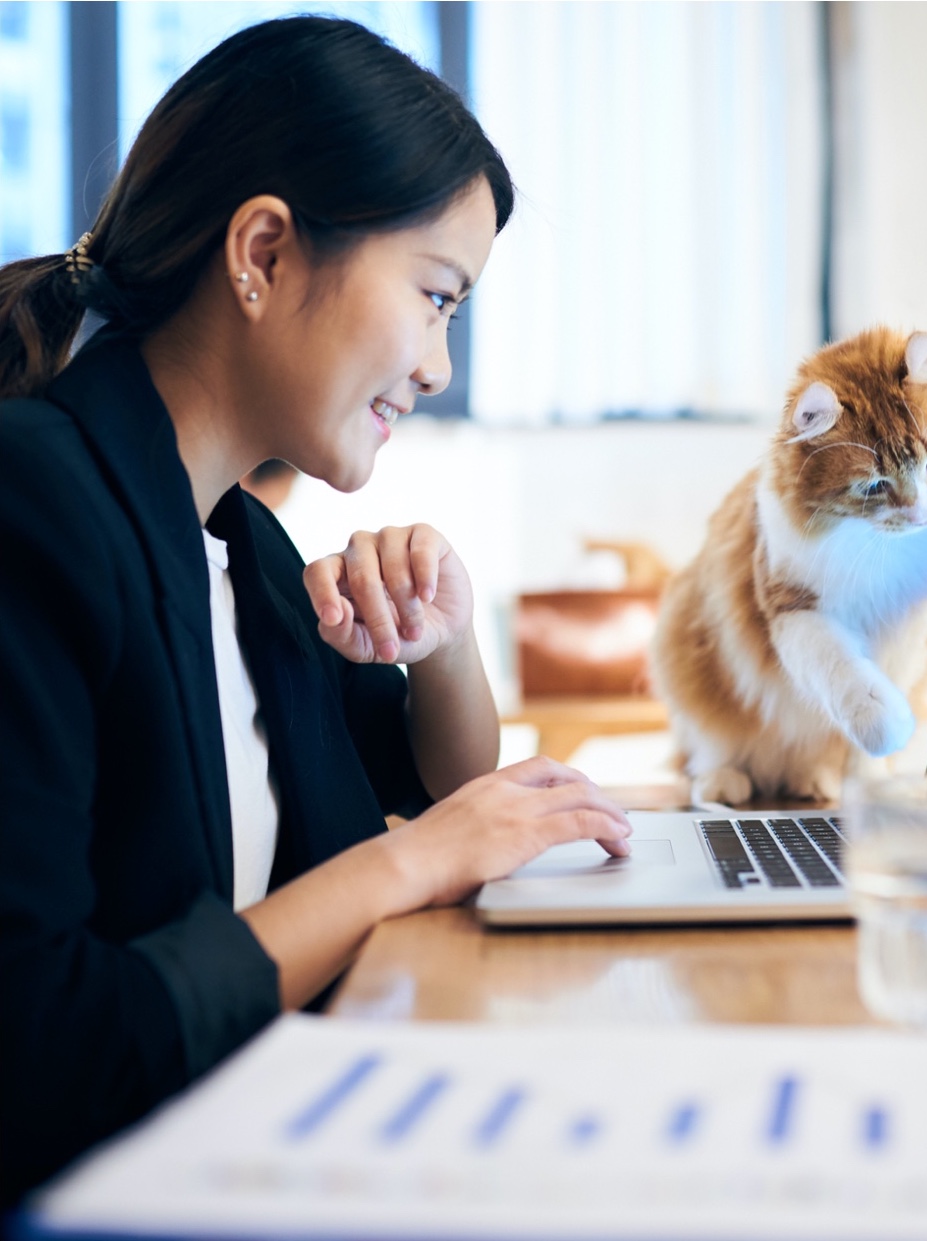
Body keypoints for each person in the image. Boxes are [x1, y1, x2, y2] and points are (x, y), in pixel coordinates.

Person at [0, 16, 632, 1206]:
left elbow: (447, 782)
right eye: (436, 296)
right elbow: (46, 1046)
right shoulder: (37, 503)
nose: (441, 367)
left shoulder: (238, 536)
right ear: (266, 253)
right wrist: (405, 864)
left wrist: (439, 642)